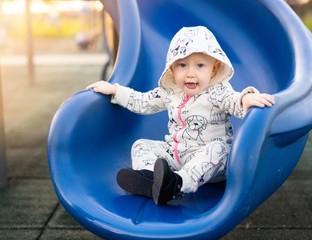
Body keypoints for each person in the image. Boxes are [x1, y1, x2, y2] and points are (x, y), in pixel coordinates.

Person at [86, 26, 275, 205]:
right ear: (172, 69)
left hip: (213, 164)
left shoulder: (218, 91)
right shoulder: (170, 92)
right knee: (141, 145)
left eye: (200, 65)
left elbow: (234, 101)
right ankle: (151, 179)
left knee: (219, 149)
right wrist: (115, 91)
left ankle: (177, 184)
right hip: (177, 157)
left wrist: (246, 99)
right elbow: (143, 101)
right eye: (182, 65)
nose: (190, 73)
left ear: (214, 69)